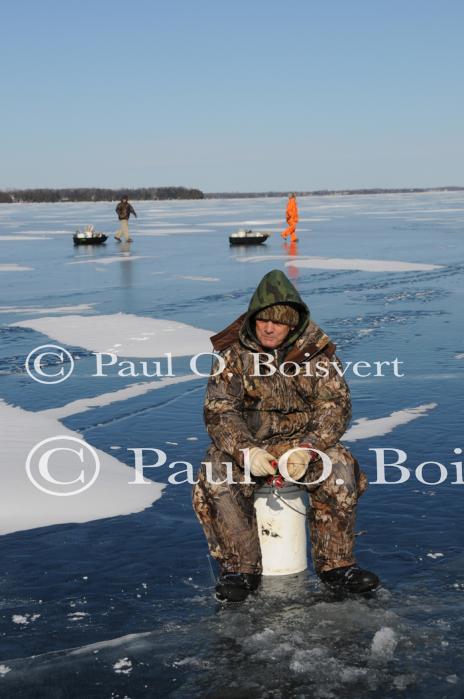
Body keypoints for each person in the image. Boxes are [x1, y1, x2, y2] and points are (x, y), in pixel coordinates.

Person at [192, 269, 379, 602]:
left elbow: (334, 407)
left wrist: (307, 449)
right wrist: (247, 452)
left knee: (340, 469)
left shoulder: (317, 354)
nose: (268, 327)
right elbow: (220, 411)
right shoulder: (233, 355)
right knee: (217, 473)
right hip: (249, 444)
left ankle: (337, 566)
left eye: (277, 321)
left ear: (292, 324)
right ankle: (239, 570)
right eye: (262, 319)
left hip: (302, 443)